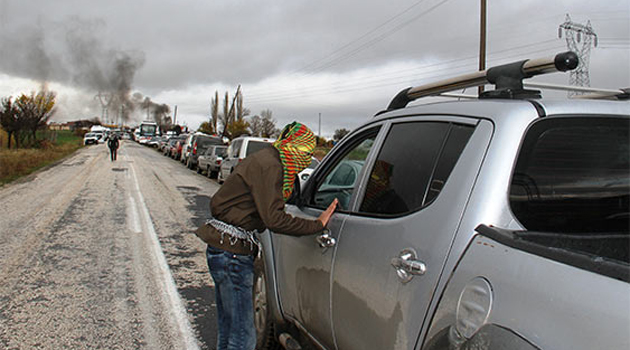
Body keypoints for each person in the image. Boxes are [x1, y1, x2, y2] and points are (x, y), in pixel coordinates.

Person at [196, 122, 338, 350]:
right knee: (243, 336)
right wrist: (317, 224)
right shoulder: (271, 165)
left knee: (229, 328)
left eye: (310, 154)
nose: (306, 158)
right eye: (304, 151)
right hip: (232, 254)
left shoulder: (268, 159)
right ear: (292, 145)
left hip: (222, 248)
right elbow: (274, 219)